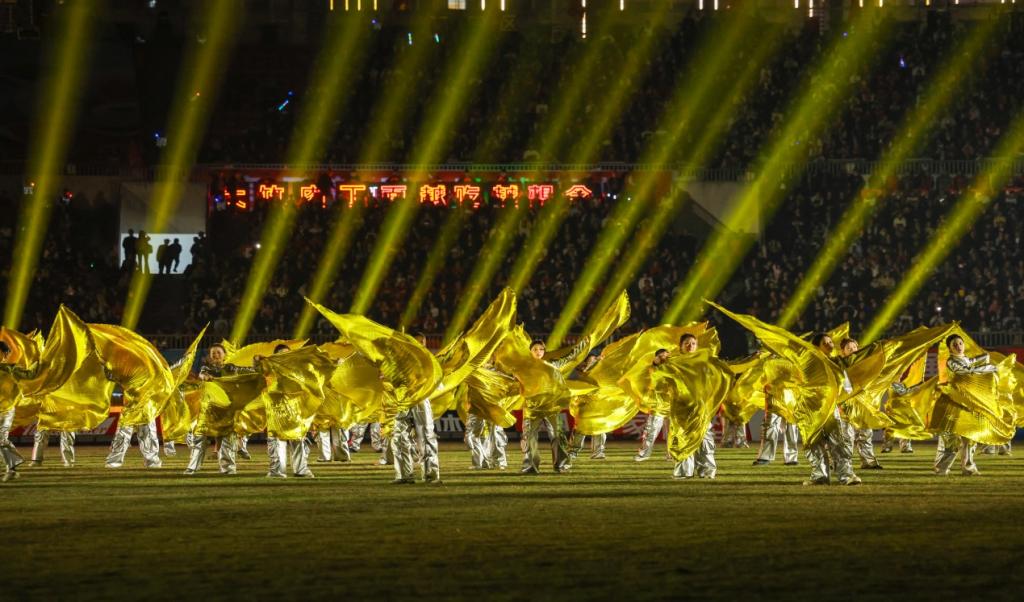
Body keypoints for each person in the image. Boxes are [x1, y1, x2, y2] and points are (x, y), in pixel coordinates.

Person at [183, 344, 255, 475]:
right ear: (210, 357)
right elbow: (202, 375)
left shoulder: (231, 368)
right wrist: (205, 377)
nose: (216, 355)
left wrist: (257, 363)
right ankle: (193, 467)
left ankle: (228, 469)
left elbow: (251, 371)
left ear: (224, 355)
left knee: (228, 438)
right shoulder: (206, 369)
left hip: (226, 410)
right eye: (213, 353)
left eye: (218, 352)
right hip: (208, 410)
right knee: (200, 437)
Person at [802, 333, 861, 486]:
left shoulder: (836, 363)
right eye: (825, 343)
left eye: (830, 342)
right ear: (817, 346)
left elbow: (847, 386)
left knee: (838, 441)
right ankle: (820, 476)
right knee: (814, 442)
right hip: (812, 408)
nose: (830, 344)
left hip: (831, 408)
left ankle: (846, 476)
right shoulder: (809, 361)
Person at [933, 334, 995, 477]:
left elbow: (972, 362)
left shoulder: (966, 359)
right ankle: (941, 468)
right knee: (950, 439)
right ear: (950, 348)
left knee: (970, 438)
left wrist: (985, 357)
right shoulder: (951, 361)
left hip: (966, 404)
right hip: (952, 405)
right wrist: (987, 368)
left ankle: (968, 468)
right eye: (954, 344)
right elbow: (965, 371)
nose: (958, 346)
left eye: (960, 343)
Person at [389, 334, 442, 484]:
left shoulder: (428, 359)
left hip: (420, 400)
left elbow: (437, 382)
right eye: (417, 342)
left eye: (422, 343)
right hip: (403, 400)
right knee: (399, 437)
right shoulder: (399, 360)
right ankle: (404, 475)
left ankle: (431, 475)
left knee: (426, 435)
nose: (420, 345)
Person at [669, 334, 717, 480]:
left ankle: (707, 471)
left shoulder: (703, 363)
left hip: (700, 408)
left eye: (693, 343)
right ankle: (684, 471)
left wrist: (751, 359)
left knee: (705, 440)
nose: (690, 346)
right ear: (680, 346)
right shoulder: (673, 363)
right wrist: (656, 362)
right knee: (683, 439)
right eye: (687, 343)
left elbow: (722, 370)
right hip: (681, 408)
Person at [838, 337, 882, 470]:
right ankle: (843, 464)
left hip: (862, 404)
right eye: (849, 348)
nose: (852, 350)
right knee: (846, 436)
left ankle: (868, 461)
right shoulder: (839, 364)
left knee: (866, 434)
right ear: (843, 351)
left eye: (854, 347)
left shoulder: (865, 363)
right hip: (845, 404)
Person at [635, 348, 671, 462]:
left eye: (666, 356)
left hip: (672, 403)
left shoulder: (674, 367)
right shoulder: (652, 368)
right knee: (652, 430)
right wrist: (655, 363)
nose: (664, 358)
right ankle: (644, 453)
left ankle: (672, 454)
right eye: (661, 356)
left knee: (673, 432)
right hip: (658, 404)